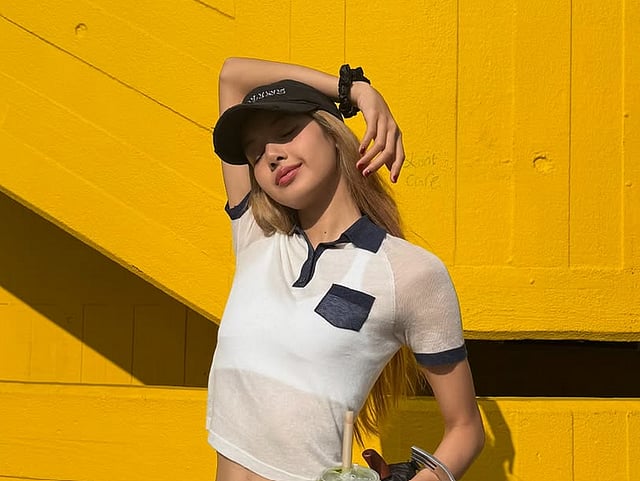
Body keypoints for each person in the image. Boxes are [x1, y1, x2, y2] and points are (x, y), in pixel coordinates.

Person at [207, 57, 484, 481]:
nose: (272, 156)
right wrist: (354, 90)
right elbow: (232, 76)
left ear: (333, 133)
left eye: (286, 132)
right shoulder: (256, 236)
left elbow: (466, 429)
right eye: (256, 154)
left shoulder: (409, 273)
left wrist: (355, 93)